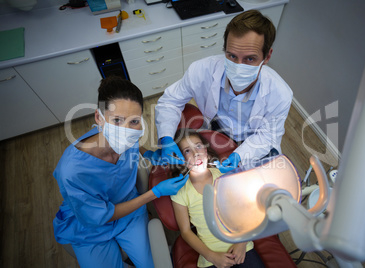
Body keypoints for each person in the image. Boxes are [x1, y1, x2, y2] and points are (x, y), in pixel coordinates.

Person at [52, 76, 188, 268]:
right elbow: (103, 215)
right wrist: (155, 193)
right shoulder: (72, 171)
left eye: (134, 121)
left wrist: (149, 153)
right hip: (91, 228)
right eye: (117, 120)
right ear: (99, 118)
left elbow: (132, 143)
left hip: (129, 212)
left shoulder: (128, 137)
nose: (127, 130)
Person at [154, 10, 293, 173]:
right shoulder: (201, 70)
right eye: (232, 56)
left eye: (250, 59)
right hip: (216, 128)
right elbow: (170, 101)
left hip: (253, 139)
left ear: (267, 57)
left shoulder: (280, 94)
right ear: (224, 49)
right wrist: (166, 138)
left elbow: (268, 136)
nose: (238, 66)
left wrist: (240, 155)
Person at [170, 128, 265, 268]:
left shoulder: (224, 176)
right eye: (187, 151)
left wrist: (242, 243)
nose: (196, 154)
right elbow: (185, 231)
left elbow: (246, 209)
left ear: (206, 151)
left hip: (242, 247)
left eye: (198, 146)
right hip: (212, 259)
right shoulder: (180, 191)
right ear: (181, 160)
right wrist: (211, 256)